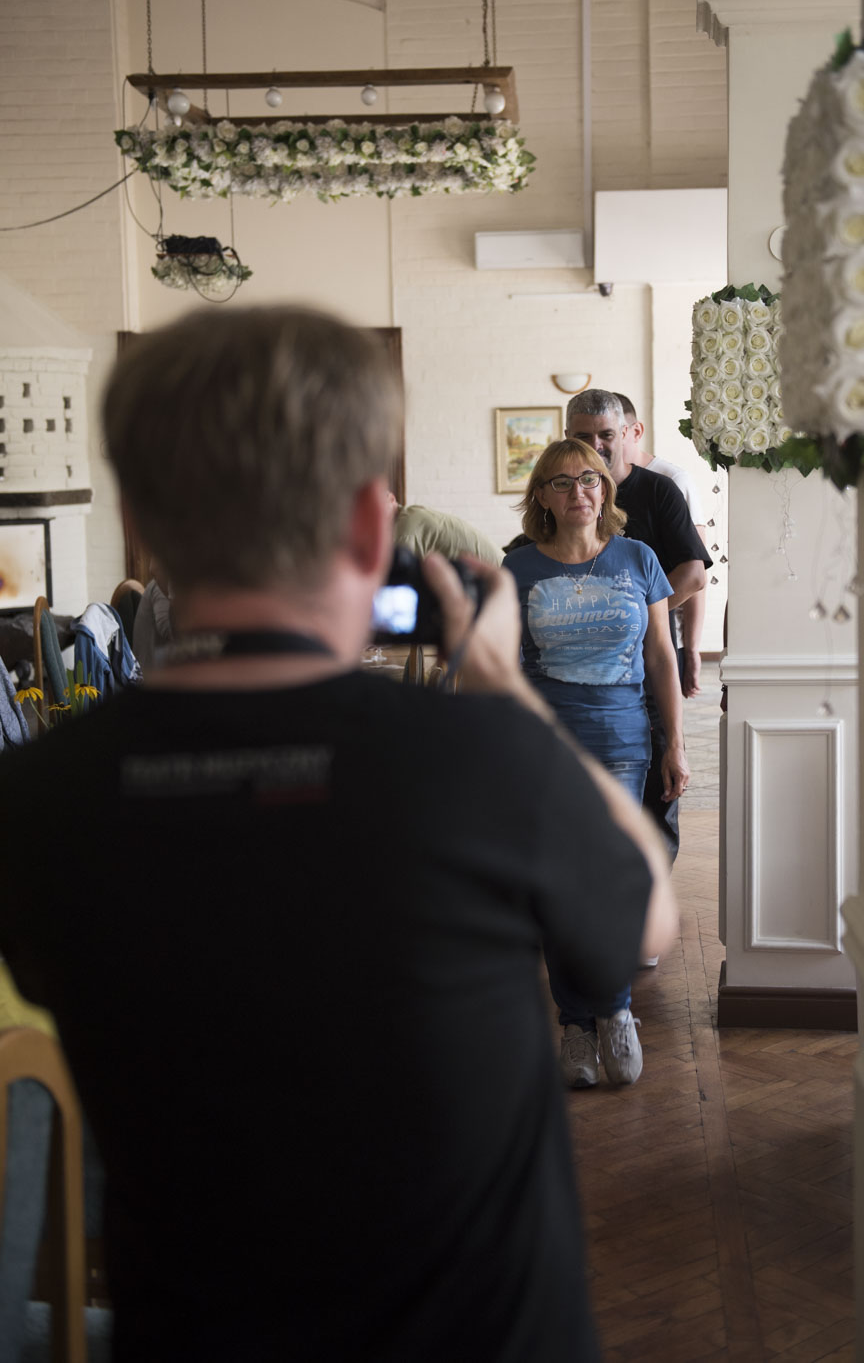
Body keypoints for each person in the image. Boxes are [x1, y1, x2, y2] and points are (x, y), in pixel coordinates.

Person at [0, 306, 677, 1363]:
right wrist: (500, 685)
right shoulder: (479, 759)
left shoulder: (37, 798)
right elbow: (643, 920)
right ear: (371, 529)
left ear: (137, 517)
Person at [503, 438, 688, 1090]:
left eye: (589, 478)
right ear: (542, 497)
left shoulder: (638, 558)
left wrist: (675, 742)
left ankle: (613, 1010)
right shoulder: (519, 569)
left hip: (623, 739)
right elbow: (501, 666)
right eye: (561, 482)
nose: (578, 491)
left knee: (610, 881)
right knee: (561, 883)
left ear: (605, 489)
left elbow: (661, 657)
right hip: (547, 745)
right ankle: (578, 1023)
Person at [565, 388, 712, 887]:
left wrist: (637, 617)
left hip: (649, 662)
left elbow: (694, 573)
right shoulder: (563, 495)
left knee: (657, 787)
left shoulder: (659, 490)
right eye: (583, 436)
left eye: (605, 435)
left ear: (627, 433)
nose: (596, 446)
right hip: (579, 673)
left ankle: (649, 897)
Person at [615, 392, 709, 699]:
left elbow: (695, 571)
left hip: (665, 631)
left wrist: (692, 648)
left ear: (635, 431)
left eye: (613, 434)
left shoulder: (672, 481)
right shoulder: (596, 482)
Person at [390, 492, 503, 566]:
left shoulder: (407, 525)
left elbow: (399, 573)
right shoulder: (411, 513)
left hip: (497, 580)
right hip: (500, 575)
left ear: (392, 498)